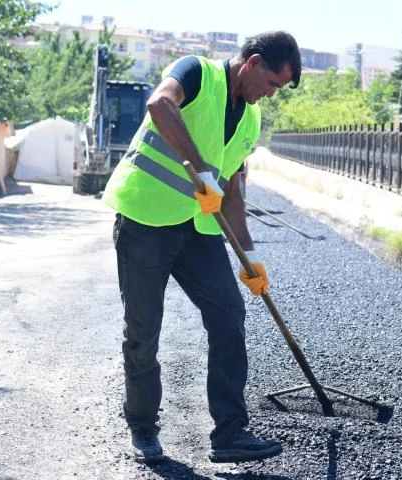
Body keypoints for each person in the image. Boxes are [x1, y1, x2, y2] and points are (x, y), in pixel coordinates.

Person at [101, 31, 301, 464]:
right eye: (271, 83)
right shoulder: (195, 71)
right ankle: (143, 427)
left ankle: (230, 431)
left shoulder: (249, 120)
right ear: (252, 63)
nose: (269, 94)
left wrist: (250, 259)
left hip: (198, 231)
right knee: (144, 331)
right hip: (146, 218)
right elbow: (160, 105)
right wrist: (199, 172)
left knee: (229, 314)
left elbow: (231, 193)